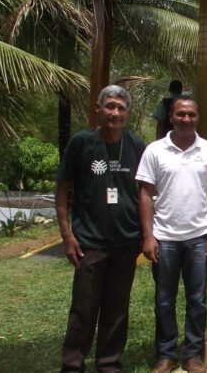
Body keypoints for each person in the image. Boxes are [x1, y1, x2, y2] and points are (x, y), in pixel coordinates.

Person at [55, 85, 146, 373]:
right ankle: (72, 365)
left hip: (125, 242)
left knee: (117, 309)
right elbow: (62, 188)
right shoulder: (82, 143)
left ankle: (108, 364)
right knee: (83, 309)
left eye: (121, 107)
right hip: (89, 244)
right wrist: (67, 236)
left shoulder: (136, 145)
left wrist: (146, 234)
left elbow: (145, 192)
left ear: (128, 113)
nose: (115, 113)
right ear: (98, 109)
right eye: (110, 106)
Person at [136, 96, 207, 373]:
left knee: (197, 299)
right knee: (164, 299)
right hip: (164, 237)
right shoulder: (154, 150)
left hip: (199, 237)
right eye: (181, 114)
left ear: (198, 117)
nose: (186, 119)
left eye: (191, 115)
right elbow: (145, 194)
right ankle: (166, 354)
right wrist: (148, 236)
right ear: (171, 117)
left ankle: (193, 354)